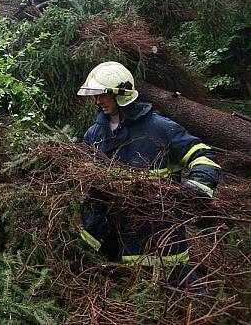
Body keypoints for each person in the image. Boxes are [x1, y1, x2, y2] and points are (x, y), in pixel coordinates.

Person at [76, 61, 220, 290]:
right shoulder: (95, 133)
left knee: (185, 296)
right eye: (96, 95)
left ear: (121, 93)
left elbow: (202, 156)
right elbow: (81, 172)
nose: (98, 100)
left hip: (161, 235)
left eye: (103, 94)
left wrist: (198, 186)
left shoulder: (160, 129)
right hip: (116, 236)